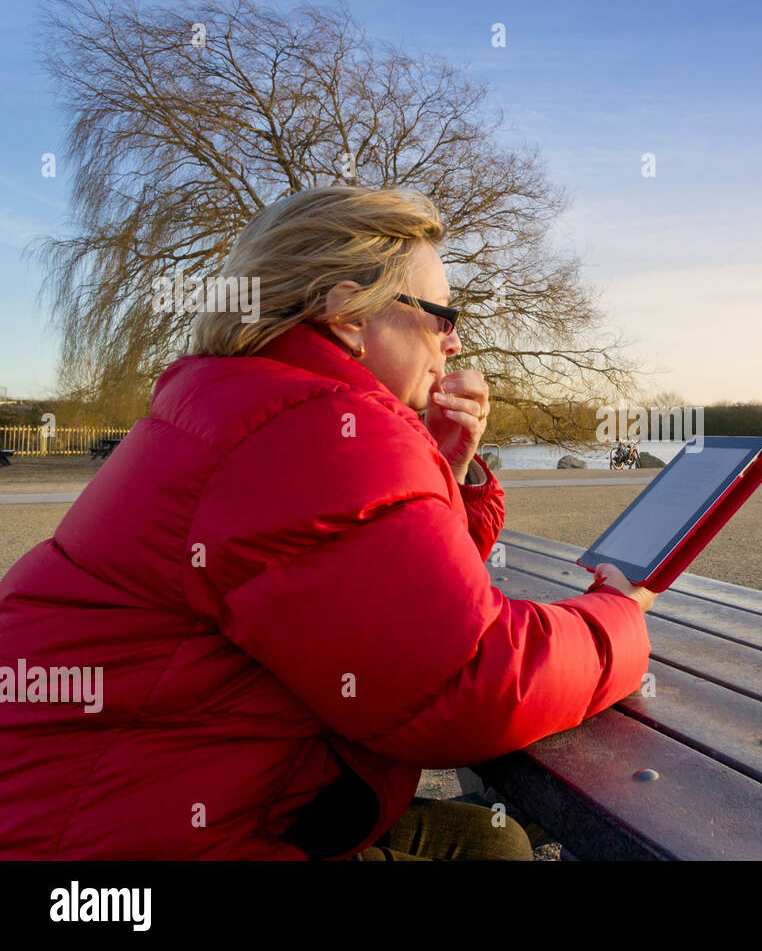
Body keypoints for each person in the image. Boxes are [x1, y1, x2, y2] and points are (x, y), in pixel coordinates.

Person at [0, 186, 656, 860]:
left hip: (128, 807)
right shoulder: (317, 431)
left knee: (496, 844)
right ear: (347, 315)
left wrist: (443, 469)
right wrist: (619, 616)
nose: (454, 339)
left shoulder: (241, 398)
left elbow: (388, 610)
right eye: (440, 313)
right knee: (499, 850)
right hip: (116, 852)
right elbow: (469, 680)